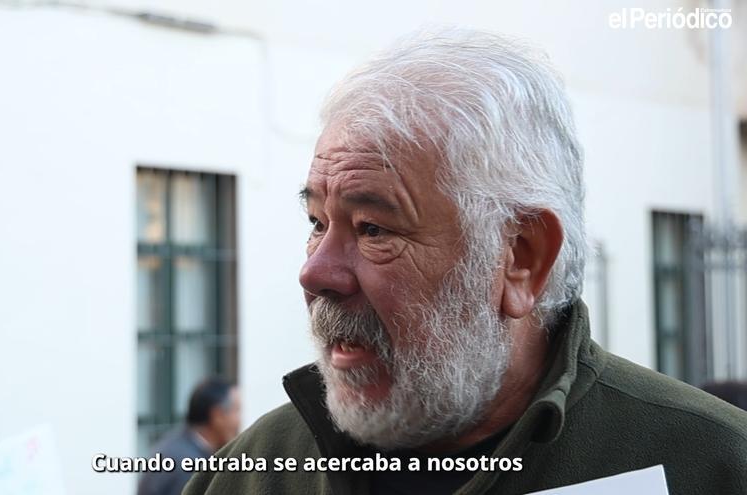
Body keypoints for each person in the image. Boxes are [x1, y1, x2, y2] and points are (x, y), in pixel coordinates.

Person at [184, 28, 747, 495]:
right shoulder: (252, 475)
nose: (315, 273)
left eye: (373, 228)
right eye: (316, 223)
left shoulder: (711, 467)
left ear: (521, 257)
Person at [139, 378, 240, 495]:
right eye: (236, 410)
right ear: (217, 415)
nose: (239, 420)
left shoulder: (176, 446)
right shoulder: (189, 466)